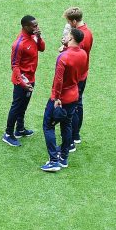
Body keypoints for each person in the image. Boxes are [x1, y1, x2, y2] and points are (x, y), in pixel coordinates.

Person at [41, 28, 88, 172]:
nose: (65, 36)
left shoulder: (63, 58)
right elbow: (81, 74)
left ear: (72, 38)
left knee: (48, 125)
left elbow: (59, 80)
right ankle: (63, 158)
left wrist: (56, 97)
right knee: (66, 126)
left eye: (68, 35)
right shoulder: (83, 54)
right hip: (74, 95)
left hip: (61, 98)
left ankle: (53, 160)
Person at [3, 15, 45, 147]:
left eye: (37, 25)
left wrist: (39, 37)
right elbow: (14, 66)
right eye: (34, 26)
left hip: (31, 78)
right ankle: (8, 134)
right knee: (16, 106)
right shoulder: (19, 44)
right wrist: (22, 83)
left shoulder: (33, 36)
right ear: (25, 26)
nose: (37, 28)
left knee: (24, 105)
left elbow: (42, 48)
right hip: (22, 81)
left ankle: (20, 129)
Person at [62, 7, 93, 148]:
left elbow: (75, 55)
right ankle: (76, 135)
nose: (68, 24)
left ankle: (73, 137)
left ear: (74, 21)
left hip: (77, 76)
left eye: (69, 21)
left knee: (75, 106)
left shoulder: (81, 37)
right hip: (82, 73)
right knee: (78, 104)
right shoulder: (87, 32)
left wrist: (64, 46)